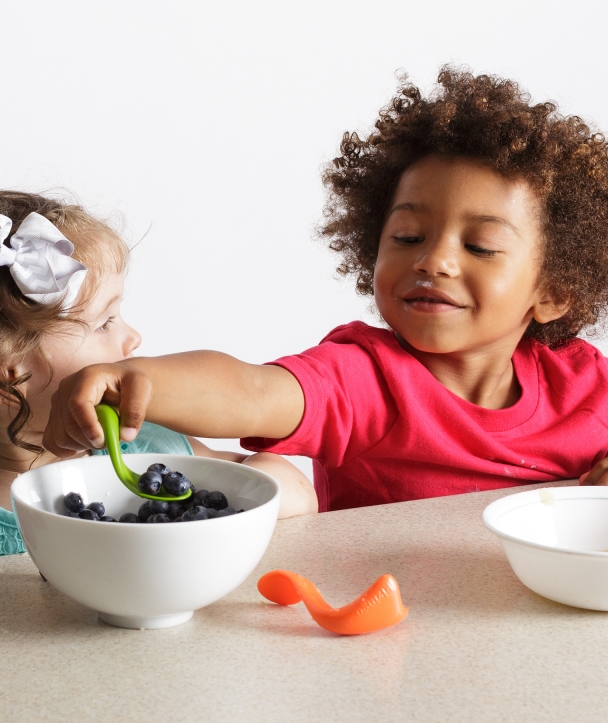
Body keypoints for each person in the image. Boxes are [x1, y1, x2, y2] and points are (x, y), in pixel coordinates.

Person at [44, 66, 608, 512]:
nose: (434, 260)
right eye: (408, 236)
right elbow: (252, 392)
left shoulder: (584, 384)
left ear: (555, 290)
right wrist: (135, 381)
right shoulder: (365, 379)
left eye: (480, 246)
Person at [0, 191, 314, 580]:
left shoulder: (150, 459)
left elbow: (294, 495)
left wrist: (241, 492)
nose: (133, 337)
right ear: (3, 372)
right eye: (104, 322)